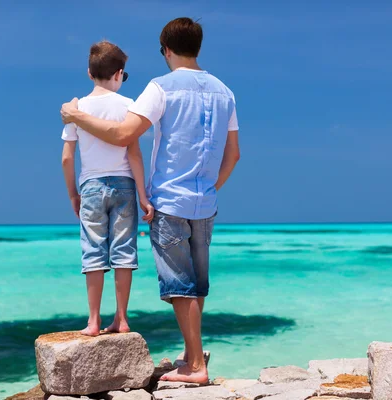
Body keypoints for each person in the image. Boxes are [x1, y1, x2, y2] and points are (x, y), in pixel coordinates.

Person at [60, 18, 240, 383]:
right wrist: (211, 187)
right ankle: (191, 356)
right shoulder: (226, 92)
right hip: (205, 202)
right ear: (197, 47)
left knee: (180, 286)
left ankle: (196, 367)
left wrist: (77, 115)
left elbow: (125, 134)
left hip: (171, 199)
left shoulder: (160, 88)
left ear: (167, 50)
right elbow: (233, 155)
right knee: (196, 284)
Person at [61, 40, 154, 337]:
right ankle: (122, 319)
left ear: (89, 73)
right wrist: (143, 194)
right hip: (125, 185)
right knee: (124, 251)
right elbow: (134, 153)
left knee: (93, 252)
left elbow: (66, 158)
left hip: (90, 186)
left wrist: (73, 194)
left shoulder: (77, 109)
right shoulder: (129, 106)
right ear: (119, 73)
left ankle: (93, 322)